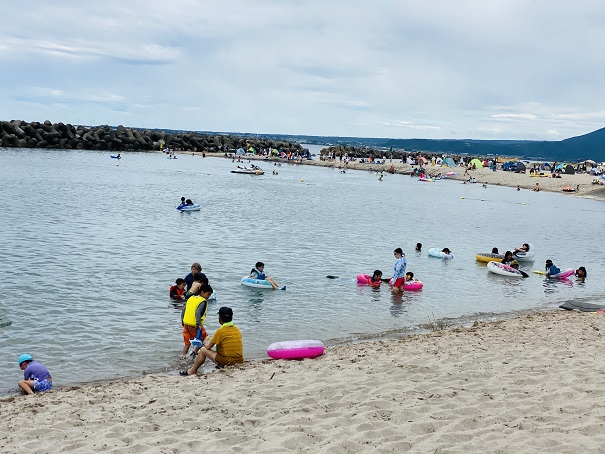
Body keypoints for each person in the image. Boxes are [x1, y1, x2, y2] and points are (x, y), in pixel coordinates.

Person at [180, 306, 243, 375]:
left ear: (220, 318)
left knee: (203, 350)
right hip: (239, 360)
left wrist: (203, 344)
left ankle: (192, 370)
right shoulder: (237, 329)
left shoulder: (220, 331)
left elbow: (208, 347)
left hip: (227, 362)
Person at [181, 284, 213, 359]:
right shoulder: (202, 301)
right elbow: (198, 312)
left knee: (187, 343)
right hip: (195, 325)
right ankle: (194, 353)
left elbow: (183, 310)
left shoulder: (191, 298)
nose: (209, 296)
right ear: (202, 292)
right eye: (208, 294)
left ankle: (183, 357)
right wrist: (199, 324)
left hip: (186, 324)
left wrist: (182, 320)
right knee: (204, 338)